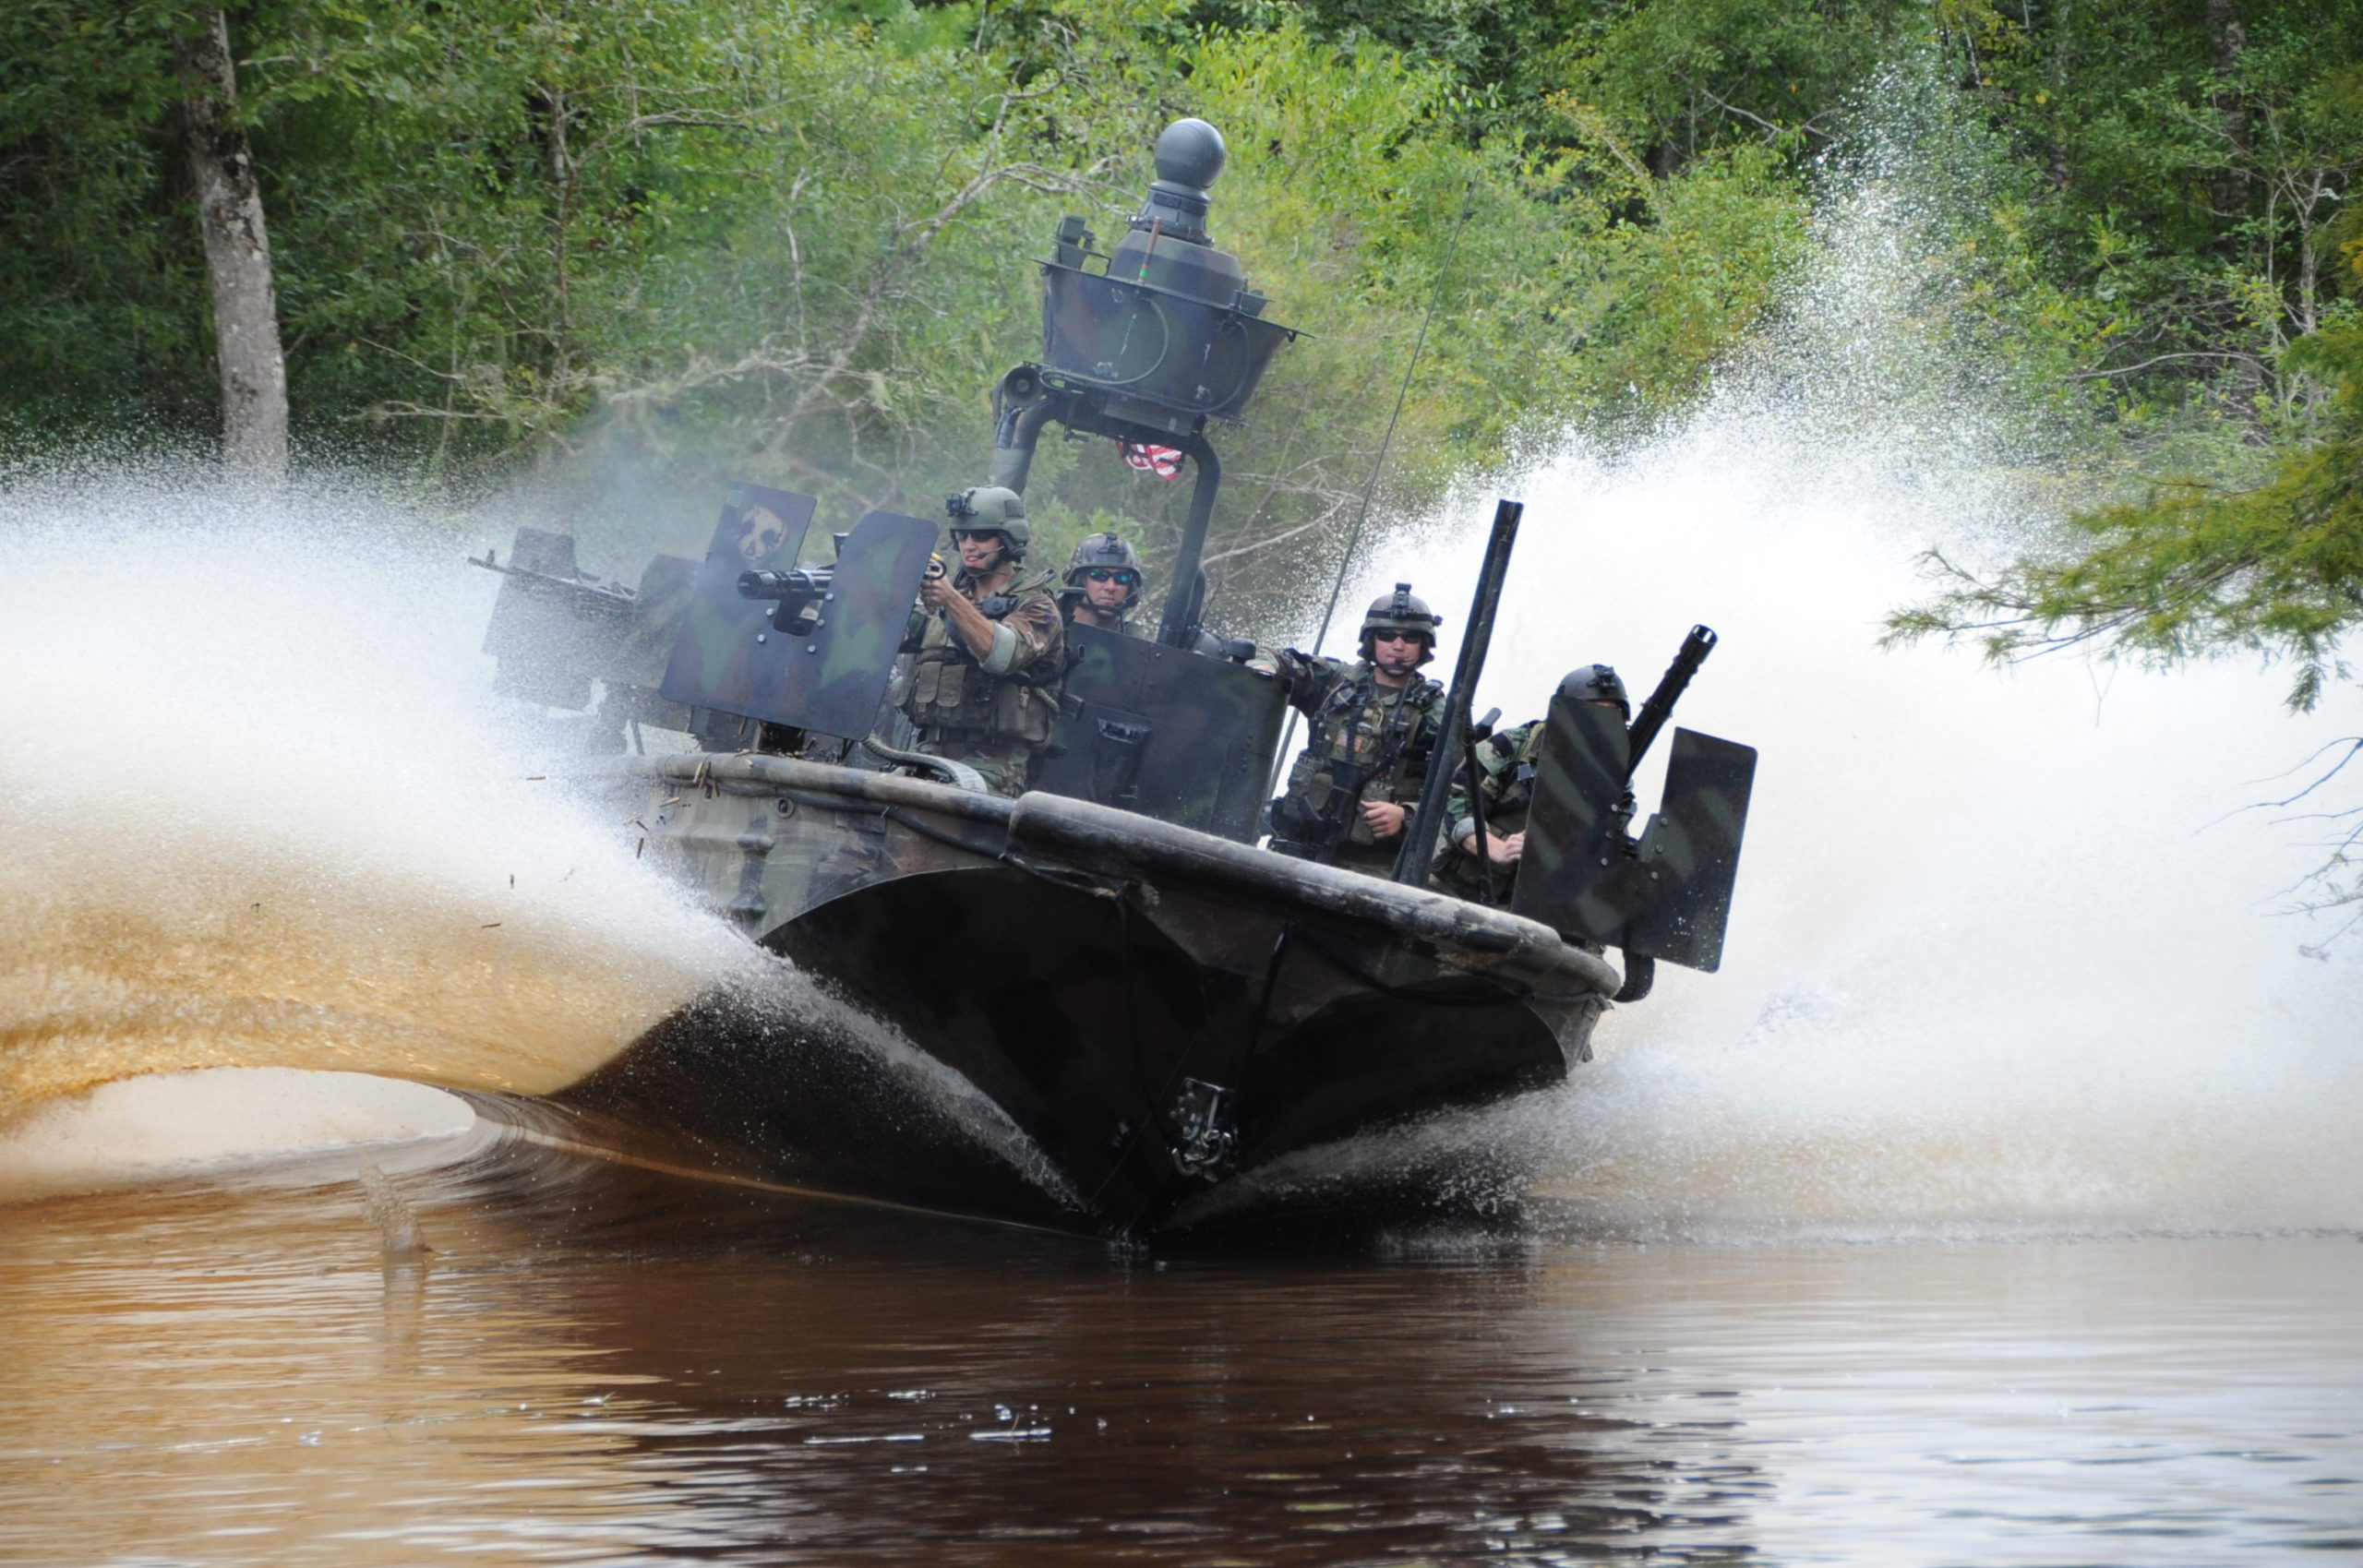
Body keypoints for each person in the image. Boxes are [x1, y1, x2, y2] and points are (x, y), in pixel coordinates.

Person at [1263, 583, 1446, 874]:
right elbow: (1278, 660)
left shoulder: (1437, 713)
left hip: (1372, 866)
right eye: (1387, 636)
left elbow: (1457, 795)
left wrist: (1406, 814)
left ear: (1423, 645)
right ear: (1371, 640)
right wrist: (1264, 669)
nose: (1398, 646)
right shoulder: (1335, 683)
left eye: (1410, 638)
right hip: (1297, 846)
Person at [894, 485, 1065, 796]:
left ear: (1008, 540)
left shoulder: (1037, 606)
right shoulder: (940, 599)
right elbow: (886, 633)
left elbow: (1002, 655)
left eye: (982, 536)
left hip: (993, 769)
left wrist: (950, 600)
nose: (969, 546)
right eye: (962, 537)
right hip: (925, 754)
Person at [1433, 664, 1630, 904]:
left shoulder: (1613, 777)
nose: (1601, 722)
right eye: (1592, 711)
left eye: (1612, 715)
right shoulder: (1513, 746)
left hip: (1539, 905)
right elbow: (1455, 805)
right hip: (1458, 891)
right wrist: (1498, 849)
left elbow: (1612, 844)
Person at [1062, 532, 1148, 636]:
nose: (1111, 587)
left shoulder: (1134, 642)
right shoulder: (1049, 630)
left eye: (1122, 578)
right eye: (1099, 575)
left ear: (1130, 587)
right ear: (1080, 580)